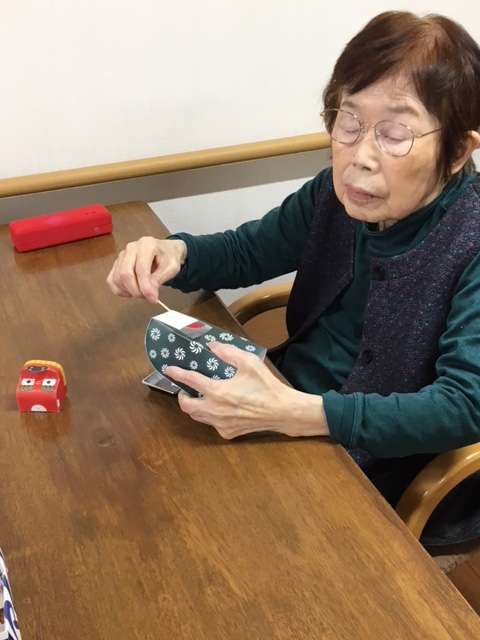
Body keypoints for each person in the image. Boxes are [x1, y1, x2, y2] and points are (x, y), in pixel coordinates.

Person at [107, 11, 480, 546]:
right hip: (279, 406)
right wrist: (174, 252)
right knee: (141, 490)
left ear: (458, 151)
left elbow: (464, 404)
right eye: (348, 122)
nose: (360, 157)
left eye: (395, 133)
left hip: (379, 469)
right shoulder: (333, 194)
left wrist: (301, 414)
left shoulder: (471, 237)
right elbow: (247, 251)